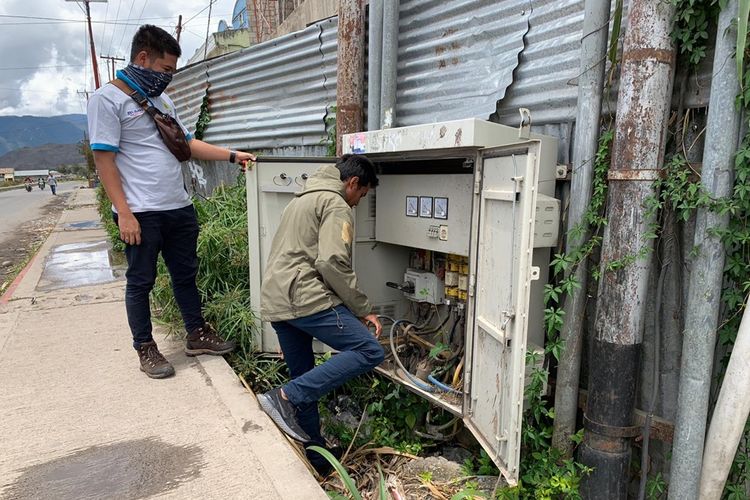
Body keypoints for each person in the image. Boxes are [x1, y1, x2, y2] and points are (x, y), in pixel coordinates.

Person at [87, 24, 255, 379]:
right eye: (165, 70)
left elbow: (187, 146)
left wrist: (232, 155)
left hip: (177, 206)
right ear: (143, 58)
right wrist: (125, 213)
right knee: (141, 281)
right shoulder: (107, 100)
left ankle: (197, 333)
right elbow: (104, 160)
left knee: (186, 276)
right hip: (141, 212)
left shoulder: (163, 101)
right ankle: (145, 347)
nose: (168, 79)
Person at [257, 154, 384, 474]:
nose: (357, 204)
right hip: (305, 299)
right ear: (352, 184)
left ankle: (318, 460)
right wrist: (363, 309)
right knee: (369, 350)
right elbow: (331, 262)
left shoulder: (301, 199)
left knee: (305, 381)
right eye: (362, 195)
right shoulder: (336, 203)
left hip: (278, 300)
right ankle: (283, 398)